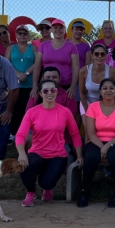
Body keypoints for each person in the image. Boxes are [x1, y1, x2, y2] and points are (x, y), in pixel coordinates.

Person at [15, 78, 83, 207]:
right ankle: (30, 193)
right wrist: (21, 153)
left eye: (53, 90)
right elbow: (20, 135)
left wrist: (79, 156)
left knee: (46, 183)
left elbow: (75, 134)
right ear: (40, 93)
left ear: (57, 92)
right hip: (37, 153)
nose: (49, 93)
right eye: (45, 91)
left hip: (58, 155)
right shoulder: (32, 112)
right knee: (23, 165)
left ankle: (47, 189)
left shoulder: (65, 112)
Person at [79, 78, 115, 208]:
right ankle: (85, 191)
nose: (108, 91)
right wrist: (102, 147)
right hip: (96, 141)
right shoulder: (93, 107)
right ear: (100, 92)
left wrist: (108, 145)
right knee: (91, 156)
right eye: (105, 88)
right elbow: (90, 133)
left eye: (111, 88)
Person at [33, 19, 79, 116]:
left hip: (66, 85)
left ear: (64, 30)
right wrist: (35, 86)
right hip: (46, 85)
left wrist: (72, 86)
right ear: (52, 30)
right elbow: (37, 66)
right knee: (47, 112)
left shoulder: (71, 46)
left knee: (67, 113)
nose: (58, 30)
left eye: (60, 28)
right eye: (55, 28)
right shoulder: (43, 45)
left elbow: (75, 67)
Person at [5, 24, 36, 136]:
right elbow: (6, 64)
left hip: (29, 84)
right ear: (16, 35)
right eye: (20, 33)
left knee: (26, 110)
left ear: (28, 36)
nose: (22, 35)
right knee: (14, 109)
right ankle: (12, 133)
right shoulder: (10, 48)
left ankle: (25, 133)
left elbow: (38, 63)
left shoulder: (33, 48)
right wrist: (17, 74)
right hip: (14, 84)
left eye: (25, 33)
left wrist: (26, 73)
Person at [79, 43, 115, 112]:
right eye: (96, 54)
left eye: (102, 54)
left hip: (106, 103)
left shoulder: (112, 71)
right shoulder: (84, 71)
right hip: (87, 103)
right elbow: (82, 94)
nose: (99, 56)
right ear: (92, 56)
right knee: (89, 122)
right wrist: (88, 110)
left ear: (106, 56)